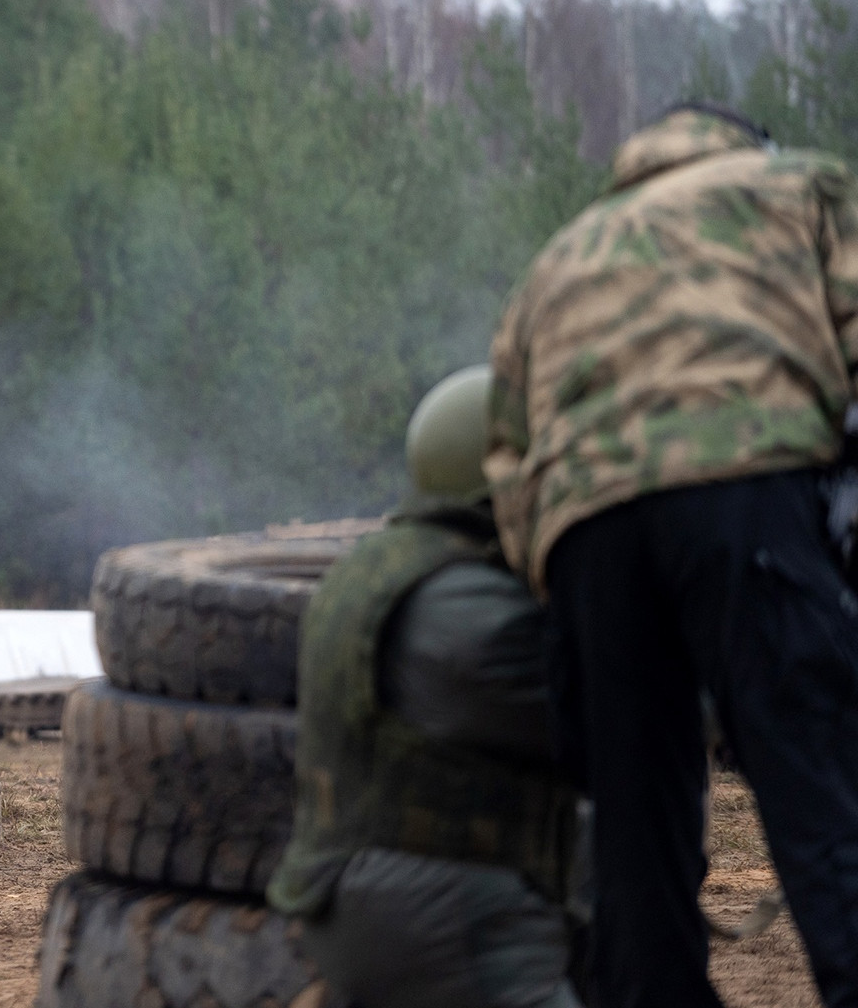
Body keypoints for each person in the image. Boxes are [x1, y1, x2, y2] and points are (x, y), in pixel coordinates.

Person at [487, 102, 858, 1008]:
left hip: (589, 533)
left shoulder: (562, 254)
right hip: (747, 490)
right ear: (747, 145)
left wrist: (555, 575)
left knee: (637, 854)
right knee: (829, 811)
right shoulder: (803, 184)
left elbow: (507, 450)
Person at [268, 365, 582, 1008]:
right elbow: (631, 718)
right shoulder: (471, 608)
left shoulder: (372, 568)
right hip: (454, 911)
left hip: (346, 894)